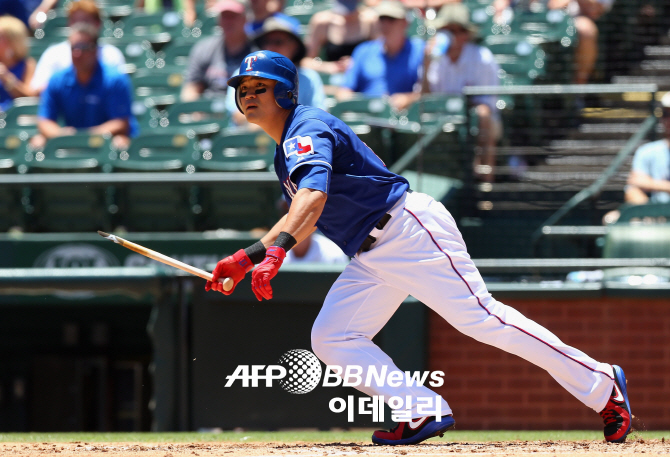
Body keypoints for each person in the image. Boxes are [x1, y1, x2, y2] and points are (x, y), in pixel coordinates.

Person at [205, 50, 632, 446]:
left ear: (284, 90)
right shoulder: (286, 150)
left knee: (482, 319)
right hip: (371, 253)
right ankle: (422, 410)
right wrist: (247, 259)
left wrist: (277, 252)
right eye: (242, 89)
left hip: (406, 230)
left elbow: (311, 201)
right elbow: (299, 212)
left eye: (259, 86)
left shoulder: (306, 127)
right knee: (333, 337)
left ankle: (601, 381)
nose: (247, 95)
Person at [422, 3, 501, 182]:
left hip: (473, 119)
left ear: (465, 34)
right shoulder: (433, 58)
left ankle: (484, 182)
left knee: (484, 115)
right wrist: (426, 63)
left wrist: (460, 107)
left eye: (455, 30)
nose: (449, 36)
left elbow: (488, 105)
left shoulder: (482, 58)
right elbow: (425, 99)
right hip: (441, 117)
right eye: (445, 30)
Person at [33, 23, 138, 150]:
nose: (77, 53)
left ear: (95, 50)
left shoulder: (114, 79)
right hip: (72, 141)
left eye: (83, 47)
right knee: (37, 141)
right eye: (73, 48)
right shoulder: (57, 79)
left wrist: (84, 136)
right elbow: (44, 121)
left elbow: (121, 123)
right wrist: (60, 134)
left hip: (105, 141)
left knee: (120, 142)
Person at [226, 16, 326, 126]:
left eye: (278, 42)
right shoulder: (243, 74)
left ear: (294, 47)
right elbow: (237, 116)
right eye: (266, 42)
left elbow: (318, 115)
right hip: (248, 139)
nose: (271, 47)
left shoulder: (309, 77)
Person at [336, 1, 423, 112]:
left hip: (403, 120)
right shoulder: (363, 50)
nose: (385, 24)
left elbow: (428, 93)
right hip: (366, 119)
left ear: (405, 22)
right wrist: (364, 104)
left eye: (391, 19)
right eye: (382, 19)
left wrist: (408, 98)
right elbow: (344, 92)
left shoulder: (419, 50)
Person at [29, 0, 126, 96]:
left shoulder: (112, 54)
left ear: (98, 24)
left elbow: (119, 91)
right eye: (75, 21)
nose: (80, 27)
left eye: (85, 21)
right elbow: (37, 90)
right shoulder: (53, 53)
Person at [603, 93, 670, 224]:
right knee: (611, 218)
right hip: (658, 215)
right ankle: (653, 217)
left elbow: (641, 180)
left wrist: (651, 183)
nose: (668, 120)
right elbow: (635, 182)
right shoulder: (648, 151)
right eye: (666, 114)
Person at [181, 0, 251, 102]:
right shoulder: (204, 48)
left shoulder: (256, 52)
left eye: (233, 16)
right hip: (209, 110)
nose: (228, 21)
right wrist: (194, 110)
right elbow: (191, 89)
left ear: (245, 19)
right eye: (224, 16)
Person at [300, 0, 379, 76]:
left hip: (361, 79)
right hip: (332, 80)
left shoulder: (371, 20)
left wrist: (357, 64)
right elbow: (306, 61)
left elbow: (379, 58)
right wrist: (329, 67)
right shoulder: (322, 21)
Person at [0, 15, 35, 110]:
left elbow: (30, 97)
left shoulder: (27, 64)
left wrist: (6, 78)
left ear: (12, 41)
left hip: (13, 118)